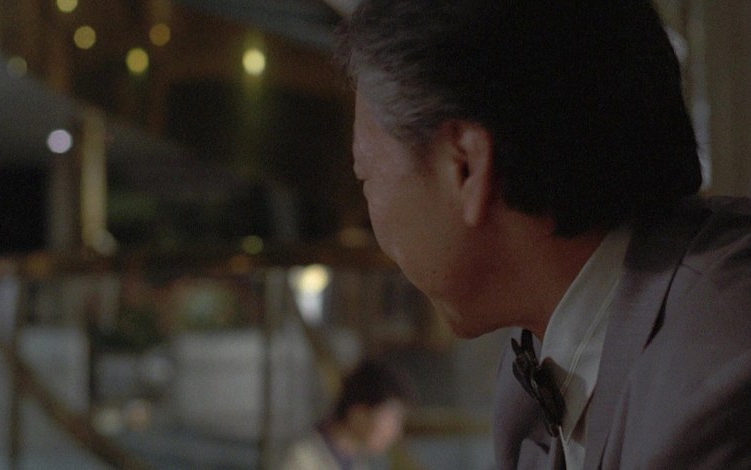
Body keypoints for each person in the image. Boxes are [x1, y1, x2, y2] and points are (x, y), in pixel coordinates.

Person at [335, 1, 751, 469]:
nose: (373, 222)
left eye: (366, 175)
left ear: (465, 165)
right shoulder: (542, 362)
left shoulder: (717, 374)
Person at [281, 359, 413, 470]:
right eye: (391, 418)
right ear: (359, 413)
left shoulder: (358, 463)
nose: (395, 432)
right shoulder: (302, 461)